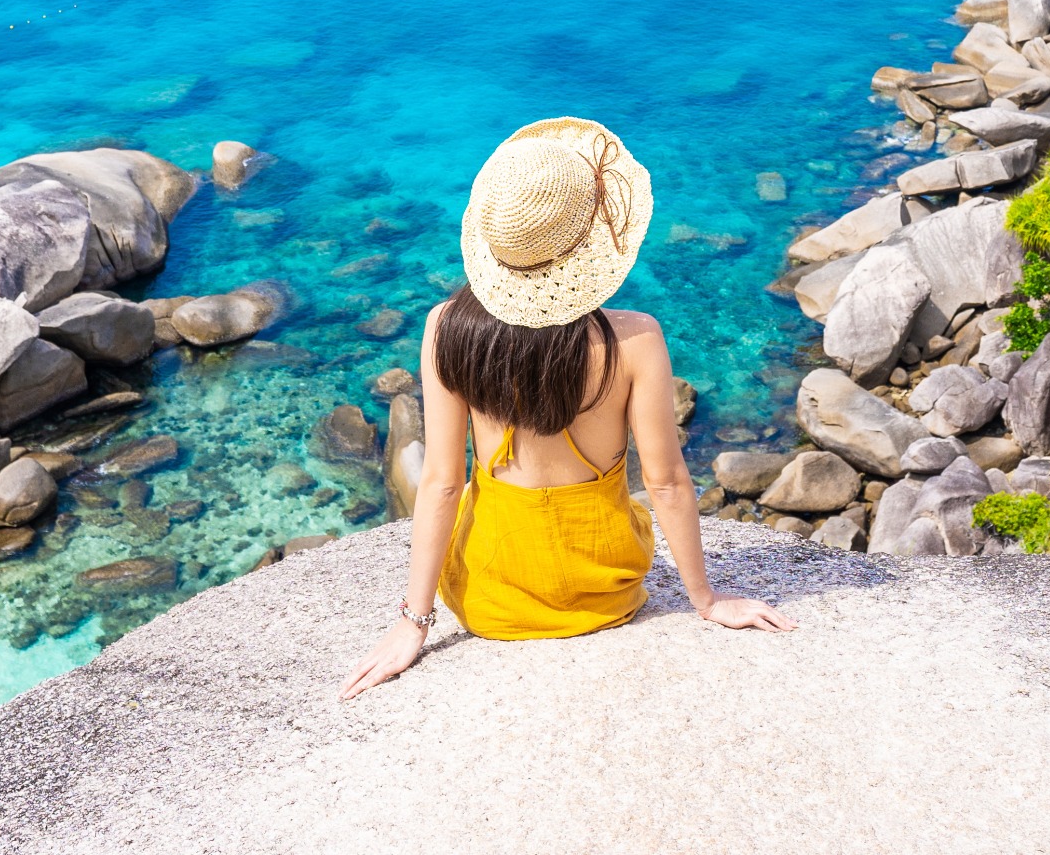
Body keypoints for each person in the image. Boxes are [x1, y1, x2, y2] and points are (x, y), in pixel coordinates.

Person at [340, 117, 794, 700]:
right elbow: (667, 483)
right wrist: (705, 600)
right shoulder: (635, 339)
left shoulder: (444, 328)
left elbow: (442, 484)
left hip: (491, 596)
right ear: (591, 243)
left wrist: (414, 622)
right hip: (606, 589)